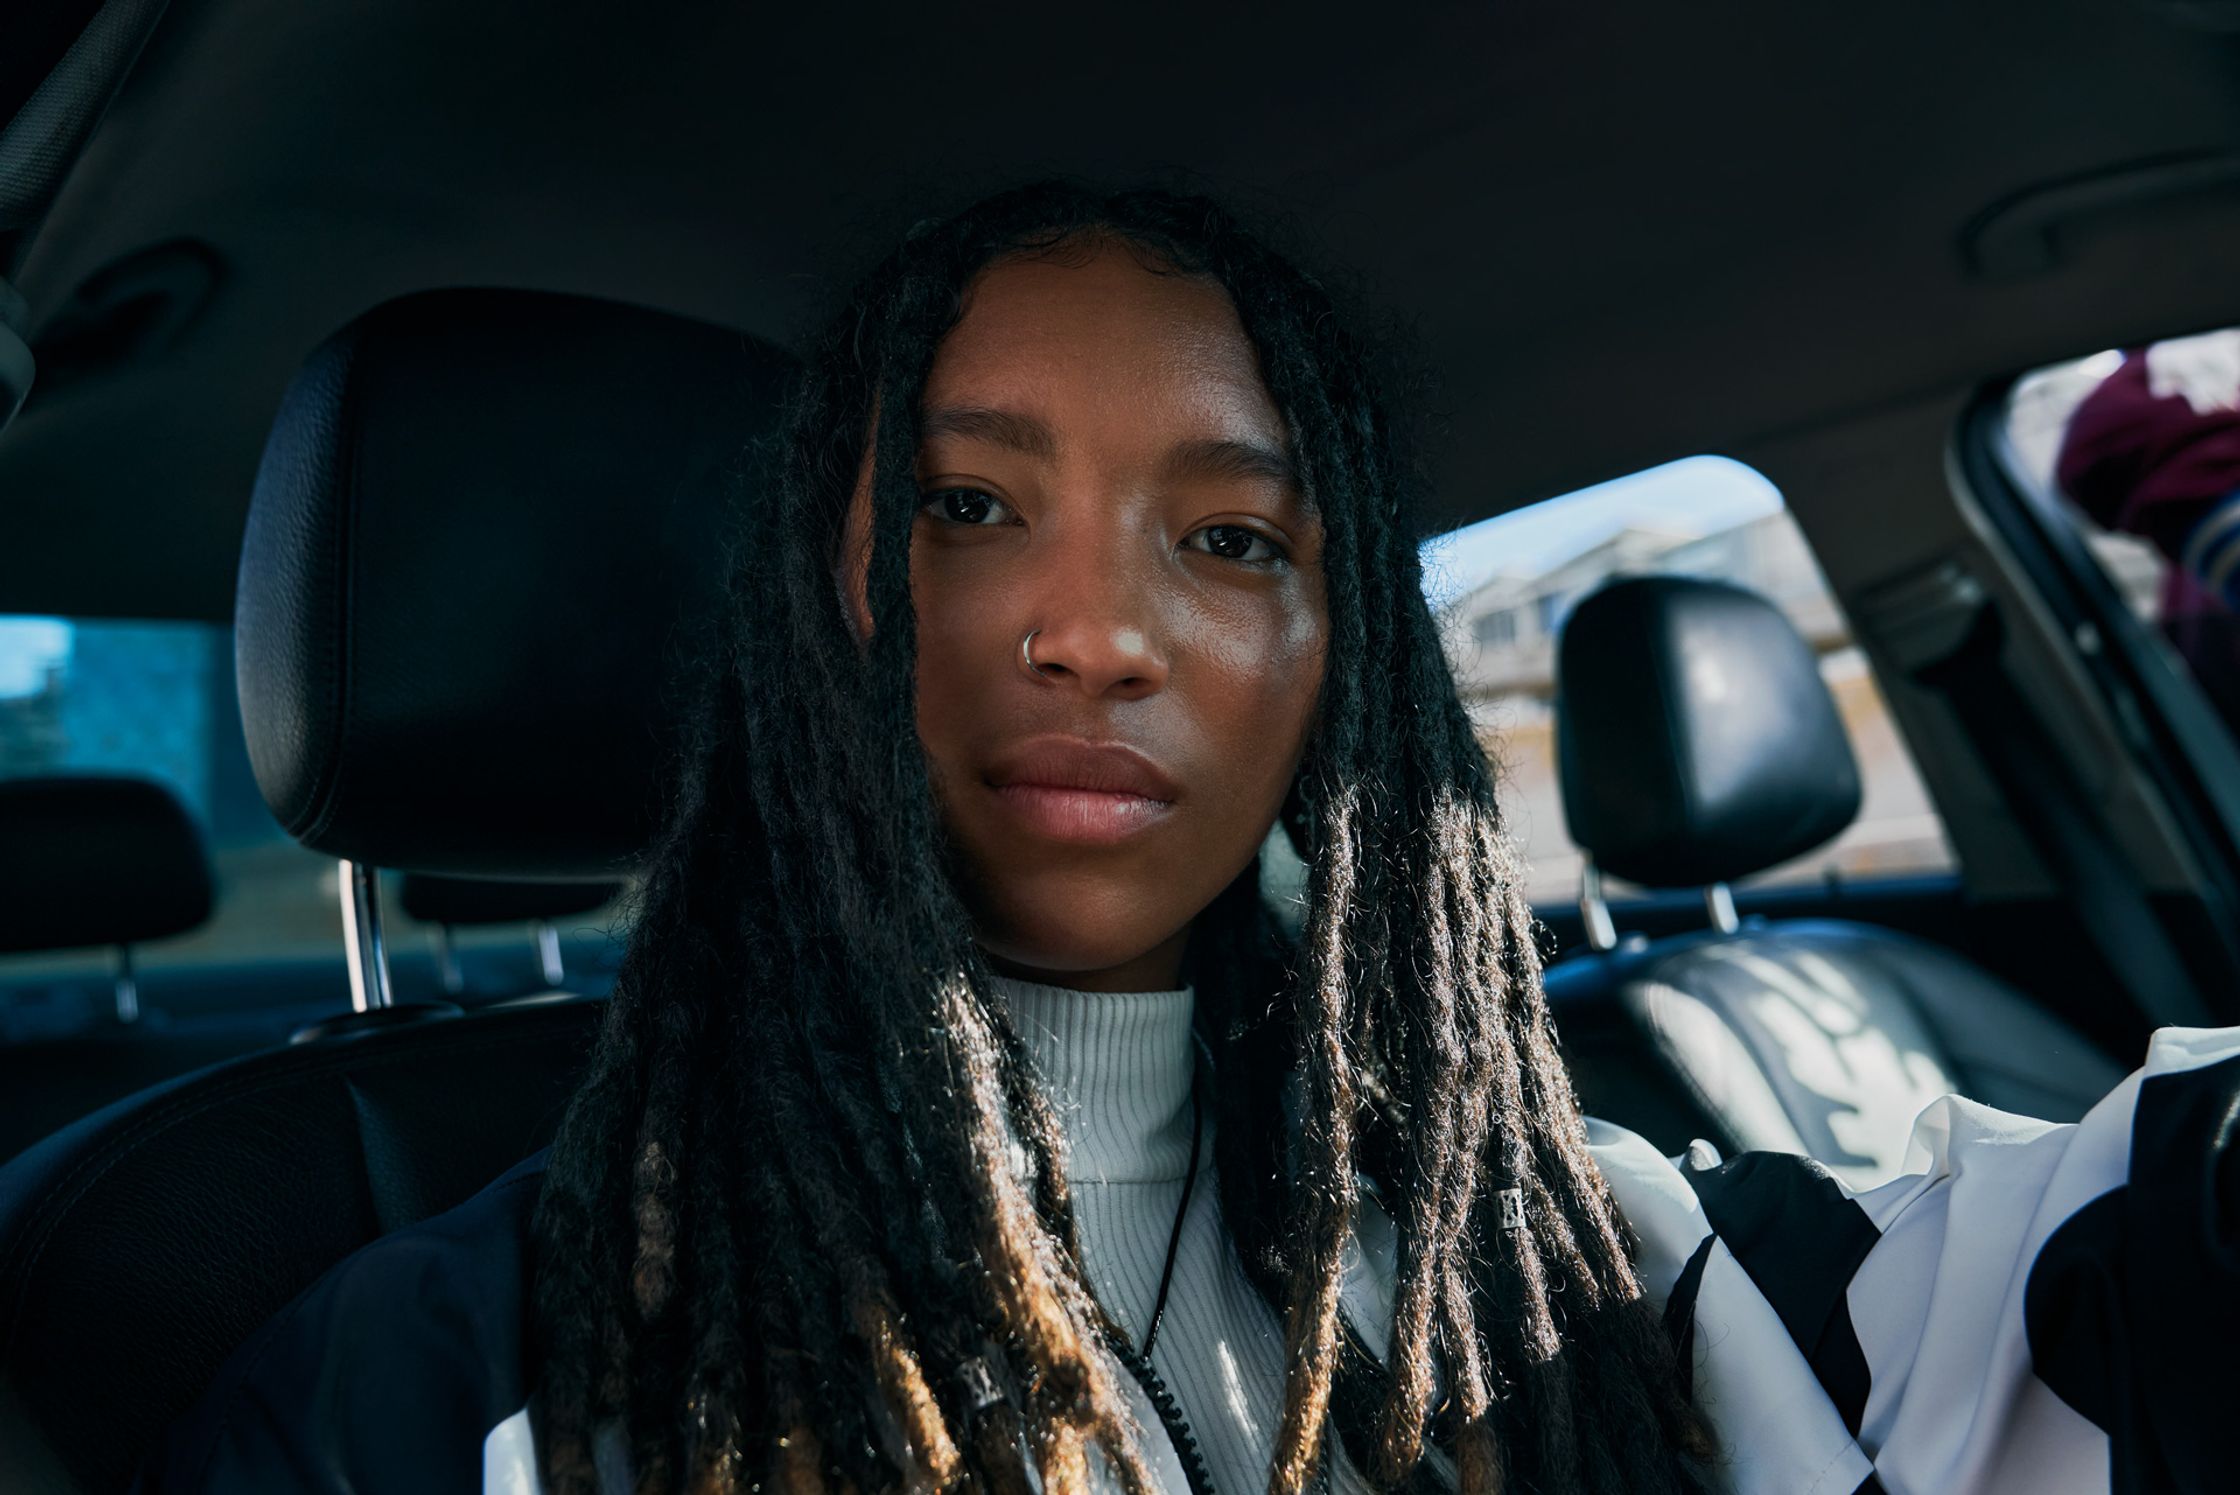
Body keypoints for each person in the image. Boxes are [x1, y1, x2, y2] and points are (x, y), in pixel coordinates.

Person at [139, 184, 2238, 1495]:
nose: (1102, 630)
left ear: (1341, 671)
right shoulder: (442, 1383)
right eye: (971, 506)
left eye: (1229, 537)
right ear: (811, 607)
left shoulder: (1621, 1255)